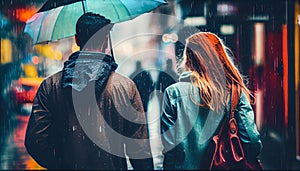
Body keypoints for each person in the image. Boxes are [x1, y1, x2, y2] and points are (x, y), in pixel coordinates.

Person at [24, 12, 154, 170]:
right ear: (106, 40)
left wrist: (60, 163)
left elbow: (35, 141)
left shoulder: (50, 86)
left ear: (77, 39)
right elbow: (139, 149)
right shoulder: (125, 87)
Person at [160, 32, 263, 170]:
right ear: (219, 56)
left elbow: (169, 149)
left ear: (188, 59)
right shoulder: (234, 92)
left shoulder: (174, 93)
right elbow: (252, 142)